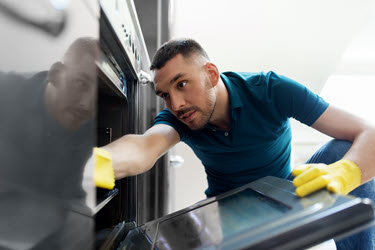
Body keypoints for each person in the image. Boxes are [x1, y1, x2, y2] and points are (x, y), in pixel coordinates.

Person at [96, 38, 375, 250]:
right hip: (226, 209)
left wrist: (345, 173)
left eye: (181, 84)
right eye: (165, 94)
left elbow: (368, 132)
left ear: (212, 74)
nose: (176, 103)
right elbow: (144, 147)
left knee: (342, 150)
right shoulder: (179, 116)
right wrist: (93, 164)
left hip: (282, 192)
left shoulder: (271, 90)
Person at [0, 37, 98, 249]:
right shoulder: (6, 93)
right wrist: (60, 217)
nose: (88, 104)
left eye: (98, 94)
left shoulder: (89, 124)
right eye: (81, 84)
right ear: (55, 74)